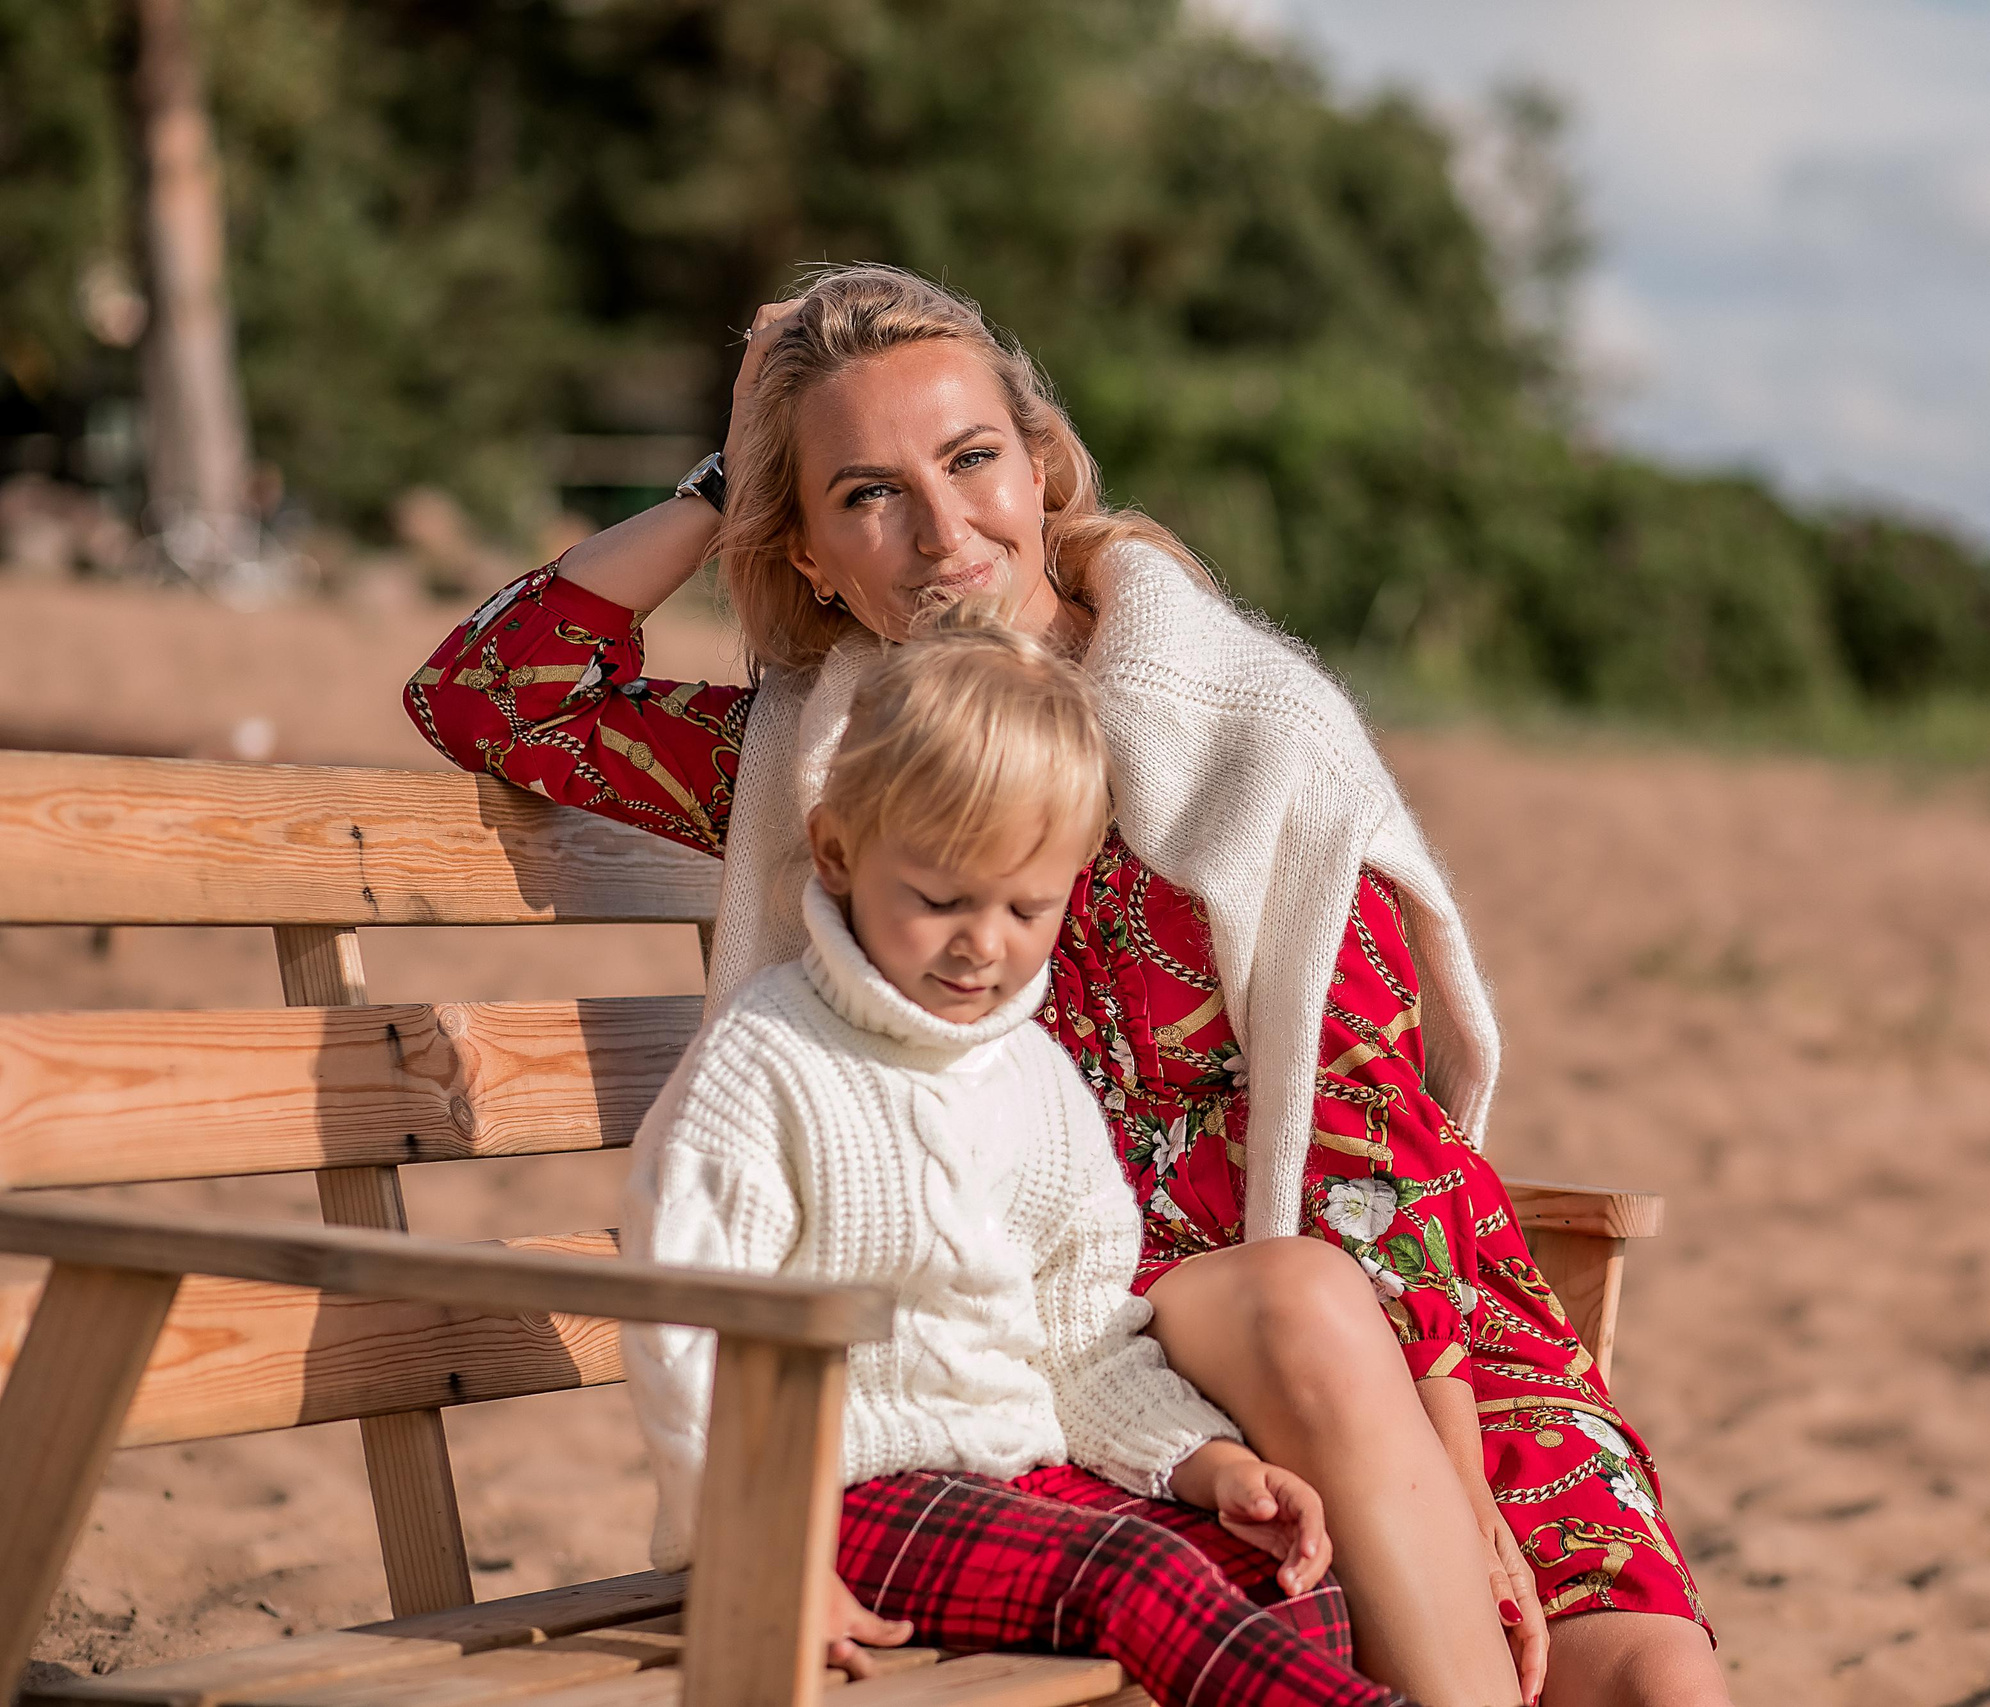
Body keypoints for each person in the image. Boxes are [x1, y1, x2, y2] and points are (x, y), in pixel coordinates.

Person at [406, 262, 1729, 1707]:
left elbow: (1371, 1125)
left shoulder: (1249, 728)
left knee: (1653, 1677)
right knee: (1300, 1316)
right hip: (1093, 1336)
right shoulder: (830, 766)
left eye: (972, 459)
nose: (941, 528)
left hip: (1416, 1332)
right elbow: (492, 689)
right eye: (865, 494)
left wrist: (1455, 1470)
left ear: (1039, 469)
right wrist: (728, 480)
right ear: (808, 556)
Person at [622, 602, 1388, 1706]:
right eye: (940, 899)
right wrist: (766, 1549)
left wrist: (1207, 1463)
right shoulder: (768, 1060)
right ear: (838, 852)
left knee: (1276, 1582)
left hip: (1018, 1481)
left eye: (1028, 908)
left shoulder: (1034, 1081)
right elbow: (684, 1329)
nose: (983, 942)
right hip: (832, 1499)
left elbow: (1083, 1344)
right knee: (1140, 1578)